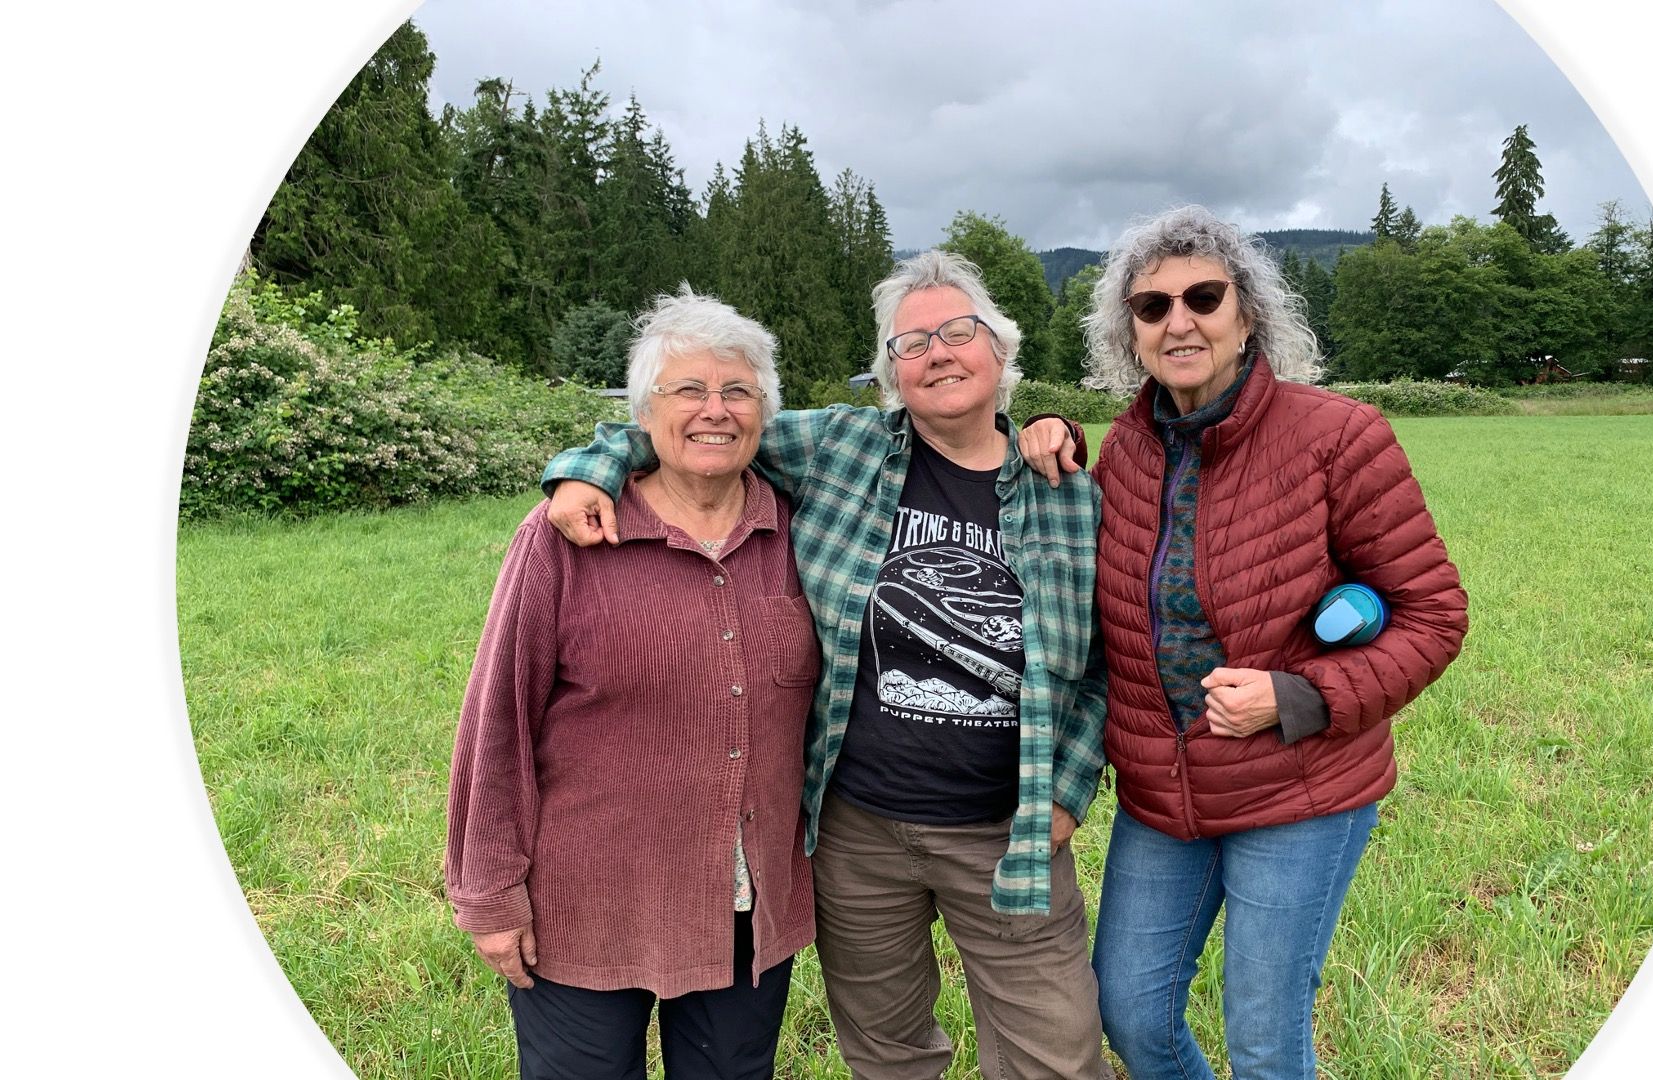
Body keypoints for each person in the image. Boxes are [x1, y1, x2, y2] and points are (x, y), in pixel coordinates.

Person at [543, 251, 1112, 1079]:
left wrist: (1066, 794)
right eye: (910, 343)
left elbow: (1104, 664)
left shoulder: (1069, 493)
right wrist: (586, 471)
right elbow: (699, 423)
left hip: (1008, 831)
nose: (938, 353)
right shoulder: (842, 449)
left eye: (960, 332)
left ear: (1002, 350)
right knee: (887, 1054)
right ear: (889, 371)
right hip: (856, 832)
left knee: (1056, 1057)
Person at [1019, 205, 1469, 1080]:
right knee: (1130, 1009)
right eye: (1152, 307)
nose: (1178, 320)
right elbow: (1086, 558)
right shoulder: (1128, 451)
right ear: (1132, 335)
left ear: (1247, 312)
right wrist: (1053, 436)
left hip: (1301, 789)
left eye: (1203, 296)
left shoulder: (1339, 436)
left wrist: (1297, 697)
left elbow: (1433, 616)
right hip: (1166, 793)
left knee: (1265, 1039)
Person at [445, 288, 819, 1080]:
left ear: (766, 414)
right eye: (687, 389)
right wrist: (488, 891)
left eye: (737, 391)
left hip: (744, 914)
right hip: (587, 907)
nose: (713, 410)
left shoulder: (803, 529)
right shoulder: (566, 538)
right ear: (642, 414)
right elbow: (497, 718)